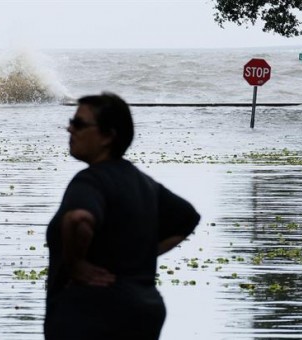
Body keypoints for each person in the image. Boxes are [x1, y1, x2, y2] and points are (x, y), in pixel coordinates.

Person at [44, 93, 200, 339]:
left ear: (108, 136)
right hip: (144, 311)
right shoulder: (144, 183)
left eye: (79, 124)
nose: (69, 129)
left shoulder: (90, 180)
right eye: (71, 121)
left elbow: (78, 219)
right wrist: (143, 255)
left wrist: (76, 265)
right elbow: (187, 218)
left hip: (90, 313)